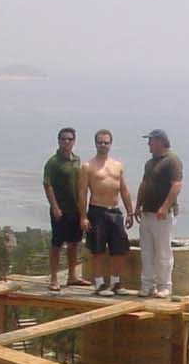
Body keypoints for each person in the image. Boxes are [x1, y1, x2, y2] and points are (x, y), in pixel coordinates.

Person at [77, 128, 134, 296]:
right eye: (100, 142)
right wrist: (83, 216)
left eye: (106, 142)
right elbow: (82, 192)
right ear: (95, 144)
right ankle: (100, 283)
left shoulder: (118, 166)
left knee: (119, 249)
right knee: (98, 249)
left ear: (111, 144)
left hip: (115, 211)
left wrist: (130, 212)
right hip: (97, 211)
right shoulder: (88, 166)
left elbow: (123, 189)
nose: (103, 145)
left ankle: (116, 282)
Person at [136, 128, 182, 298]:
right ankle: (147, 284)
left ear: (161, 142)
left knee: (163, 250)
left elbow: (176, 185)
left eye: (151, 141)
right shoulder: (149, 163)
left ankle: (165, 285)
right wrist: (137, 206)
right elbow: (144, 184)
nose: (149, 144)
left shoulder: (172, 161)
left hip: (162, 214)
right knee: (146, 250)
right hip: (147, 211)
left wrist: (164, 206)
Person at [42, 126, 88, 289]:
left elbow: (81, 185)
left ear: (74, 141)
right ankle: (54, 278)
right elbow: (47, 185)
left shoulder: (77, 160)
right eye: (63, 139)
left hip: (75, 209)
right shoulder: (53, 162)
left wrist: (83, 211)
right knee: (57, 244)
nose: (66, 142)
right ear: (59, 141)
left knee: (74, 243)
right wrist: (54, 207)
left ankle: (72, 276)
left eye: (70, 139)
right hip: (60, 210)